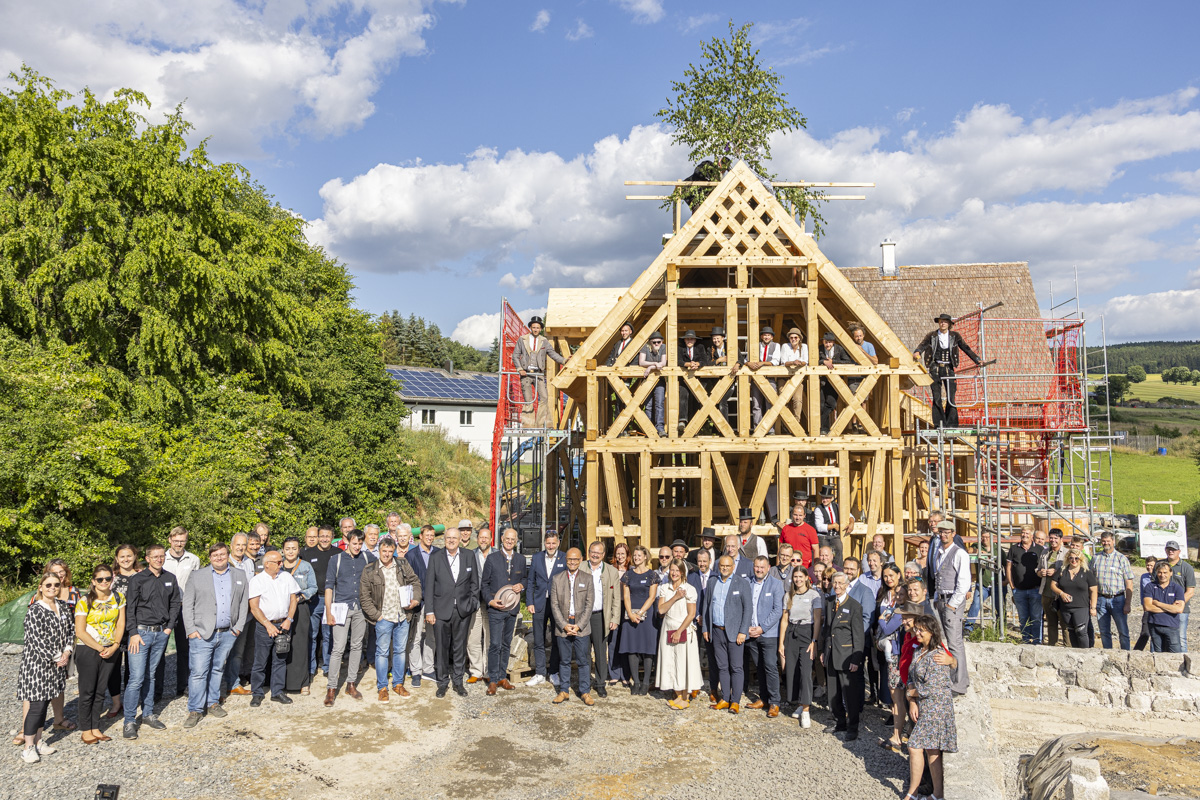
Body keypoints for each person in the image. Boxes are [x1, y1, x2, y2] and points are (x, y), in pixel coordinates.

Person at [181, 541, 248, 727]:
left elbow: (243, 603)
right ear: (210, 558)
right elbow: (187, 605)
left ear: (227, 555)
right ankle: (195, 709)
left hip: (228, 633)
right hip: (202, 633)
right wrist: (191, 630)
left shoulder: (239, 575)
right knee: (198, 673)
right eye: (215, 555)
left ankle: (212, 703)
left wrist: (238, 628)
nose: (219, 558)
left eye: (222, 554)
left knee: (217, 669)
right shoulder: (197, 576)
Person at [123, 544, 179, 739]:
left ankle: (148, 714)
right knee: (136, 678)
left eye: (161, 556)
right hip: (141, 634)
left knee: (151, 675)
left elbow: (174, 604)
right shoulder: (137, 580)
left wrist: (169, 628)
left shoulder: (170, 578)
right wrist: (133, 633)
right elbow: (130, 608)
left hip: (160, 634)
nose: (159, 559)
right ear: (147, 559)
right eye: (155, 557)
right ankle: (129, 720)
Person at [17, 572, 74, 763]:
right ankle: (28, 747)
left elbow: (70, 631)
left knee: (46, 703)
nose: (52, 588)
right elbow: (35, 640)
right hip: (37, 665)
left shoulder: (64, 607)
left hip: (58, 664)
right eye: (48, 585)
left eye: (56, 585)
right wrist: (57, 656)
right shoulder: (35, 610)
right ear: (40, 587)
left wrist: (66, 652)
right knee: (36, 706)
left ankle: (39, 742)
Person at [902, 614, 958, 800]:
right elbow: (911, 678)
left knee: (915, 745)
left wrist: (911, 695)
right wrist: (911, 700)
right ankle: (938, 794)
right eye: (916, 629)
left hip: (937, 707)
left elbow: (932, 687)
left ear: (932, 632)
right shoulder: (919, 651)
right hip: (924, 705)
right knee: (931, 750)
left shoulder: (938, 655)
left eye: (921, 630)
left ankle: (913, 792)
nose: (917, 632)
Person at [360, 536, 422, 702]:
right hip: (383, 617)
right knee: (382, 652)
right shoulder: (369, 570)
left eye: (390, 551)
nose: (387, 554)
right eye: (384, 551)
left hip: (402, 616)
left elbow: (415, 582)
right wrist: (377, 616)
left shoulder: (402, 565)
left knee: (400, 651)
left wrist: (415, 599)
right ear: (379, 551)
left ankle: (398, 684)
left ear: (394, 551)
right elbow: (364, 597)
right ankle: (382, 687)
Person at [424, 527, 480, 698]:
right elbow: (429, 586)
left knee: (459, 647)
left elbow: (474, 584)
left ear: (459, 539)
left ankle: (458, 681)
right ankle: (442, 682)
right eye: (448, 537)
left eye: (454, 538)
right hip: (441, 610)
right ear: (444, 539)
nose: (451, 540)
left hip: (462, 610)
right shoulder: (436, 557)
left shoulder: (469, 556)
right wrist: (429, 611)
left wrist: (471, 604)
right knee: (441, 648)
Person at [323, 529, 376, 706]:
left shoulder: (367, 558)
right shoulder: (335, 560)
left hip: (360, 608)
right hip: (340, 608)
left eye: (360, 544)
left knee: (356, 645)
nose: (357, 547)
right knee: (338, 648)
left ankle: (351, 684)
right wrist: (329, 611)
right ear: (347, 541)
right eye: (354, 543)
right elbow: (329, 586)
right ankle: (331, 688)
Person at [74, 565, 125, 744]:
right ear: (93, 581)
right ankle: (85, 729)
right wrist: (99, 648)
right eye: (100, 579)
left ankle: (95, 727)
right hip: (88, 649)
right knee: (88, 691)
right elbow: (80, 631)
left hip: (111, 648)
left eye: (107, 578)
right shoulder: (84, 601)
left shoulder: (118, 597)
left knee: (101, 690)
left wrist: (115, 645)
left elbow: (120, 624)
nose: (104, 582)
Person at [246, 551, 300, 707]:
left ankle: (277, 691)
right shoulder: (257, 581)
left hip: (283, 624)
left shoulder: (286, 577)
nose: (281, 564)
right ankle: (257, 692)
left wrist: (289, 619)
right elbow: (254, 608)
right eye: (278, 562)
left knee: (280, 660)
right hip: (265, 626)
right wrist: (267, 625)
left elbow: (293, 600)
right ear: (267, 563)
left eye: (281, 561)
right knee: (260, 661)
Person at [913, 313, 983, 428]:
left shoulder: (955, 336)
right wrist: (917, 352)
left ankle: (951, 424)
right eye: (941, 321)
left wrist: (977, 359)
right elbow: (923, 345)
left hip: (949, 368)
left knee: (951, 396)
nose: (943, 323)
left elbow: (966, 348)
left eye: (945, 321)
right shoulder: (932, 335)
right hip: (935, 368)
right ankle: (939, 424)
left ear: (949, 324)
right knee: (937, 397)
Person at [704, 555, 753, 713]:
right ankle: (725, 698)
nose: (724, 568)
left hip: (735, 633)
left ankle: (735, 701)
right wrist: (706, 628)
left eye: (727, 566)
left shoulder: (742, 583)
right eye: (722, 566)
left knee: (736, 667)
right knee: (722, 667)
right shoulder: (712, 582)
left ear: (733, 567)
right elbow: (706, 607)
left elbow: (748, 609)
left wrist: (743, 631)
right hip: (717, 631)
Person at [482, 528, 527, 695]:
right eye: (507, 538)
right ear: (502, 539)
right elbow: (484, 584)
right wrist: (490, 600)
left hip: (512, 609)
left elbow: (525, 578)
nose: (509, 541)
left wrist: (522, 585)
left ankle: (502, 676)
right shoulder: (492, 559)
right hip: (496, 608)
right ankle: (493, 679)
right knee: (495, 644)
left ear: (516, 540)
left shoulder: (521, 559)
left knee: (506, 643)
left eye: (512, 539)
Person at [158, 526, 200, 702]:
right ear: (170, 540)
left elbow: (196, 583)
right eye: (176, 540)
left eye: (182, 540)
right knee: (159, 650)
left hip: (185, 607)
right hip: (164, 608)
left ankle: (183, 686)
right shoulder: (162, 559)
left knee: (185, 649)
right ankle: (157, 690)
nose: (179, 543)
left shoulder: (193, 559)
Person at [928, 520, 970, 693]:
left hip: (952, 600)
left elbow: (964, 582)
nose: (943, 535)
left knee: (955, 642)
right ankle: (954, 678)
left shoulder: (960, 553)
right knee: (948, 640)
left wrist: (953, 604)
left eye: (947, 532)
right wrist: (938, 597)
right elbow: (939, 577)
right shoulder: (939, 552)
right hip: (943, 598)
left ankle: (959, 683)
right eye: (941, 532)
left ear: (953, 533)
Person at [549, 548, 595, 705]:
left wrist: (579, 625)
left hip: (581, 626)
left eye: (576, 559)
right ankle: (564, 690)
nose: (573, 562)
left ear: (581, 560)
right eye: (570, 559)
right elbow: (554, 604)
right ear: (566, 560)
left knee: (583, 660)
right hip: (564, 625)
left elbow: (589, 605)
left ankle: (585, 692)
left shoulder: (587, 578)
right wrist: (563, 625)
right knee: (564, 660)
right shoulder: (557, 579)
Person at [779, 568, 822, 728]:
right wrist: (781, 643)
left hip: (806, 632)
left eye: (800, 577)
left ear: (806, 578)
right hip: (791, 632)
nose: (797, 580)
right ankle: (799, 702)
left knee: (805, 672)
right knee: (792, 671)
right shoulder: (789, 595)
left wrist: (814, 640)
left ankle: (806, 710)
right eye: (795, 577)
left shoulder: (814, 595)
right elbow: (784, 619)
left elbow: (817, 620)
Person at [824, 573, 865, 740]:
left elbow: (858, 635)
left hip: (847, 656)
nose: (837, 586)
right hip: (831, 654)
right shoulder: (829, 602)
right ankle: (839, 722)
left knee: (850, 695)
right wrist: (823, 651)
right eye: (835, 582)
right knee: (833, 693)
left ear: (847, 585)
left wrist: (856, 659)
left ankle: (852, 727)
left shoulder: (854, 606)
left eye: (841, 583)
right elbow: (827, 630)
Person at [656, 559, 701, 709]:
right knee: (670, 662)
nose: (674, 573)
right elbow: (661, 610)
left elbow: (691, 614)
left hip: (683, 628)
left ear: (682, 572)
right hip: (667, 626)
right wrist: (675, 597)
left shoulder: (690, 589)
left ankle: (685, 697)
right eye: (672, 570)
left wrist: (679, 631)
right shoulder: (664, 588)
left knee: (683, 662)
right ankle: (677, 694)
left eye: (677, 570)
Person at [526, 530, 567, 688]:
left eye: (553, 543)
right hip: (539, 603)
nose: (551, 546)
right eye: (548, 543)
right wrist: (530, 602)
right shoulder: (537, 558)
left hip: (558, 604)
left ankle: (554, 672)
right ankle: (540, 673)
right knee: (538, 639)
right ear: (544, 543)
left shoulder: (564, 558)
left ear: (557, 543)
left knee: (557, 639)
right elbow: (530, 582)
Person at [103, 544, 140, 722]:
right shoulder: (109, 578)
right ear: (117, 559)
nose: (126, 560)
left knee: (133, 668)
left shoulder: (142, 576)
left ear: (135, 557)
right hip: (113, 628)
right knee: (114, 667)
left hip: (135, 628)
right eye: (122, 557)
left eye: (129, 556)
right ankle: (116, 702)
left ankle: (131, 701)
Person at [278, 538, 317, 695]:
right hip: (281, 610)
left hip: (300, 609)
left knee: (300, 645)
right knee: (281, 644)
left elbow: (313, 587)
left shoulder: (306, 567)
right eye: (287, 548)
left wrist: (301, 597)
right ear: (283, 550)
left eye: (294, 548)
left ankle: (302, 682)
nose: (291, 551)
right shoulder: (278, 566)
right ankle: (281, 682)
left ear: (299, 550)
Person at [745, 556, 784, 718]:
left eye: (762, 567)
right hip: (750, 632)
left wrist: (762, 628)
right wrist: (747, 627)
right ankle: (764, 698)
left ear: (768, 567)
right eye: (756, 567)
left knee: (770, 666)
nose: (759, 570)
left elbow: (777, 610)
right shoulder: (747, 583)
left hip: (768, 634)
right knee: (759, 666)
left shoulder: (776, 584)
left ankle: (775, 702)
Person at [620, 546, 660, 695]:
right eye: (635, 555)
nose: (636, 557)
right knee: (632, 648)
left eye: (639, 555)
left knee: (647, 649)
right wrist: (630, 613)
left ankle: (645, 682)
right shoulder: (628, 575)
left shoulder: (652, 575)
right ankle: (635, 682)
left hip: (647, 615)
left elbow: (652, 596)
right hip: (630, 614)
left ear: (645, 557)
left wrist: (641, 612)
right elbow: (626, 595)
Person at [582, 541, 621, 699]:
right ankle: (584, 684)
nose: (595, 555)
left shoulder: (611, 571)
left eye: (598, 552)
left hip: (600, 616)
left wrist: (615, 617)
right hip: (583, 616)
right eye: (592, 552)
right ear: (588, 552)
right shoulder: (581, 567)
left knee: (599, 651)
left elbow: (616, 598)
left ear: (603, 554)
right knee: (583, 651)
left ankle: (600, 683)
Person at [514, 315, 567, 427]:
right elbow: (515, 356)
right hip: (526, 374)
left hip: (539, 374)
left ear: (540, 329)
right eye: (534, 327)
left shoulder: (544, 341)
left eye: (538, 327)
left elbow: (552, 354)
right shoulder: (522, 340)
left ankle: (541, 423)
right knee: (528, 400)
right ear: (530, 328)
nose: (536, 329)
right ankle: (528, 424)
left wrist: (564, 361)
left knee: (544, 397)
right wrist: (519, 369)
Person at [405, 524, 439, 686]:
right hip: (418, 602)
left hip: (434, 601)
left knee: (431, 636)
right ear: (421, 536)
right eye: (427, 535)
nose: (430, 538)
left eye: (432, 535)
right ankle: (416, 671)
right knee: (416, 637)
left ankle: (428, 668)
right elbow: (406, 580)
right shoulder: (411, 555)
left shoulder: (439, 554)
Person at [300, 525, 336, 681]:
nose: (325, 539)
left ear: (332, 537)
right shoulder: (307, 553)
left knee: (329, 635)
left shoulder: (338, 553)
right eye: (322, 536)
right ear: (318, 536)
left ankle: (327, 667)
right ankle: (311, 667)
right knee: (312, 635)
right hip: (313, 600)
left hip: (333, 601)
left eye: (328, 536)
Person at [1091, 531, 1134, 650]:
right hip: (1101, 599)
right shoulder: (1095, 558)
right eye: (1103, 541)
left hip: (1118, 599)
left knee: (1123, 631)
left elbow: (1129, 582)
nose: (1106, 543)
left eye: (1108, 541)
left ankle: (1126, 655)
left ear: (1113, 541)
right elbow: (1091, 580)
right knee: (1104, 631)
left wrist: (1128, 603)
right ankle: (1108, 655)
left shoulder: (1122, 559)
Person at [464, 522, 492, 684]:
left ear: (490, 540)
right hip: (474, 602)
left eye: (486, 538)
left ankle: (488, 670)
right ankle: (476, 671)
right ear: (477, 539)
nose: (483, 540)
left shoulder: (497, 555)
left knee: (489, 637)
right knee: (473, 638)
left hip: (491, 602)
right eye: (480, 537)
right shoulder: (470, 555)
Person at [1006, 526, 1044, 644]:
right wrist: (1012, 587)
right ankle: (1026, 640)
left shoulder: (1039, 549)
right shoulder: (1013, 549)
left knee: (1037, 617)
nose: (1024, 535)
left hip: (1036, 590)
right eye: (1023, 533)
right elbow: (1008, 568)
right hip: (1019, 590)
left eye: (1027, 533)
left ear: (1032, 535)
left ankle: (1037, 641)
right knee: (1023, 618)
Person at [1052, 550, 1097, 650]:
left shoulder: (1086, 573)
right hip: (1065, 607)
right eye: (1071, 558)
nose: (1073, 560)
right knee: (1071, 631)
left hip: (1081, 606)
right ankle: (1076, 653)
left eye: (1076, 558)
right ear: (1067, 559)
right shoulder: (1062, 571)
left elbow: (1094, 590)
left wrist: (1093, 607)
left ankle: (1085, 653)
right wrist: (1061, 593)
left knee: (1081, 631)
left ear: (1081, 559)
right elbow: (1053, 585)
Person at [742, 325, 781, 430]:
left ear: (772, 337)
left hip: (770, 378)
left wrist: (761, 363)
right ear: (761, 336)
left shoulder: (776, 346)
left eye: (768, 335)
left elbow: (776, 362)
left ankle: (770, 429)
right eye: (765, 335)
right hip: (756, 379)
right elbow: (745, 360)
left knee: (770, 404)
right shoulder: (755, 346)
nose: (766, 337)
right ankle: (757, 428)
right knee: (756, 404)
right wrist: (749, 363)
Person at [1143, 560, 1186, 653]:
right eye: (1160, 572)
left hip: (1171, 626)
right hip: (1154, 625)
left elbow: (1179, 609)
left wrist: (1158, 603)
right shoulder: (1150, 586)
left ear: (1171, 573)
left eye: (1165, 572)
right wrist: (1170, 608)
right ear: (1156, 573)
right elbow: (1147, 607)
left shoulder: (1177, 588)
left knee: (1175, 655)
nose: (1162, 575)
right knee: (1158, 655)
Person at [818, 332, 854, 434]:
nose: (827, 344)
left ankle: (824, 427)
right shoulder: (819, 349)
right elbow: (813, 360)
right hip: (822, 381)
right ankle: (824, 429)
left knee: (831, 404)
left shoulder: (839, 349)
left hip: (836, 381)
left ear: (833, 342)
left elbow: (848, 362)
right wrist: (823, 362)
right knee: (820, 405)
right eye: (826, 342)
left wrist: (833, 362)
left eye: (829, 342)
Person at [1163, 540, 1195, 652]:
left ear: (1179, 551)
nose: (1170, 551)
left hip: (1181, 610)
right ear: (1165, 550)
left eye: (1173, 549)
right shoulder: (1160, 565)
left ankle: (1183, 665)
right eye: (1169, 549)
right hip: (1162, 609)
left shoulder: (1187, 568)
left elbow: (1190, 591)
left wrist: (1177, 605)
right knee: (1162, 638)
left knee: (1180, 638)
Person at [1037, 528, 1067, 646]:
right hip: (1046, 592)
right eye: (1051, 538)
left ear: (1061, 539)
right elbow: (1038, 568)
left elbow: (1070, 572)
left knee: (1064, 622)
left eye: (1056, 538)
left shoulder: (1066, 553)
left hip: (1060, 593)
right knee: (1051, 622)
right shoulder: (1045, 552)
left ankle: (1067, 646)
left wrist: (1056, 572)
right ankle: (1052, 646)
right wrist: (1040, 573)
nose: (1053, 540)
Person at [677, 330, 710, 432]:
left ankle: (695, 425)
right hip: (684, 379)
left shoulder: (700, 348)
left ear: (695, 340)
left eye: (691, 338)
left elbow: (705, 360)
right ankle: (682, 420)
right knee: (683, 395)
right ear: (685, 340)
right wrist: (688, 364)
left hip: (698, 379)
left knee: (696, 399)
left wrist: (697, 364)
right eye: (687, 338)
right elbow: (677, 361)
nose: (689, 340)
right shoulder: (680, 348)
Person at [608, 542, 631, 685]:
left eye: (623, 553)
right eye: (618, 553)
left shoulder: (632, 570)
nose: (620, 556)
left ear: (627, 555)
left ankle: (626, 674)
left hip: (628, 607)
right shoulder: (610, 570)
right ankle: (614, 673)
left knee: (626, 640)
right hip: (614, 607)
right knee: (613, 640)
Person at [638, 331, 669, 435]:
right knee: (648, 405)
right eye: (654, 342)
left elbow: (663, 363)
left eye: (658, 342)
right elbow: (641, 362)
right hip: (646, 380)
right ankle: (648, 428)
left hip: (659, 380)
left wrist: (651, 367)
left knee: (659, 403)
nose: (656, 344)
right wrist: (655, 363)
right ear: (650, 342)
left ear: (662, 342)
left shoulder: (663, 347)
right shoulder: (645, 347)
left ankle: (660, 428)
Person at [812, 484, 850, 566]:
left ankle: (838, 572)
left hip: (835, 535)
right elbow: (819, 527)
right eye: (823, 498)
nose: (824, 500)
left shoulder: (836, 506)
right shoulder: (818, 509)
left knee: (839, 551)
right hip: (823, 536)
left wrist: (852, 522)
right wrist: (833, 526)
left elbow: (849, 515)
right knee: (824, 556)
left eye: (826, 498)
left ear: (831, 498)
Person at [779, 327, 808, 431]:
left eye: (796, 337)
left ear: (799, 338)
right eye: (791, 337)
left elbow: (806, 361)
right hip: (785, 377)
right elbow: (783, 362)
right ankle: (785, 424)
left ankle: (795, 424)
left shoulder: (804, 347)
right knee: (783, 400)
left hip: (797, 377)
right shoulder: (785, 346)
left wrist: (799, 362)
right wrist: (794, 362)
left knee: (798, 400)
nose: (793, 339)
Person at [780, 496, 820, 569]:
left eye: (800, 515)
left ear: (804, 516)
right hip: (788, 566)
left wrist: (816, 567)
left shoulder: (810, 530)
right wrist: (778, 566)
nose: (797, 518)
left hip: (805, 567)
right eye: (795, 515)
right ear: (792, 515)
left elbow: (816, 549)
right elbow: (780, 549)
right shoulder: (786, 529)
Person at [1134, 555, 1158, 651]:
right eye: (1147, 565)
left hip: (1158, 608)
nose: (1149, 567)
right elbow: (1142, 593)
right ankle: (1136, 652)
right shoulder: (1144, 577)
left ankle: (1154, 653)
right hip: (1147, 609)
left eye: (1152, 565)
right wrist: (1143, 605)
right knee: (1145, 633)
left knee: (1156, 634)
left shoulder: (1160, 576)